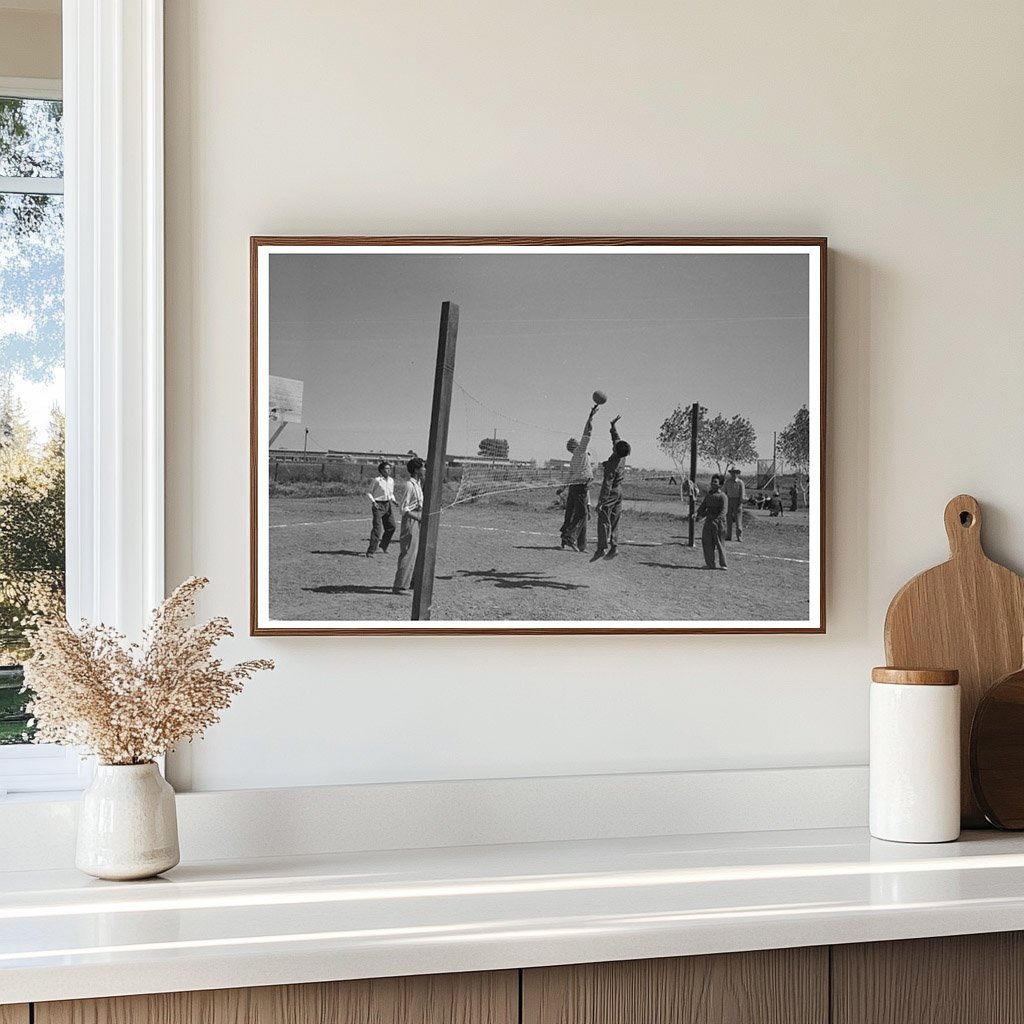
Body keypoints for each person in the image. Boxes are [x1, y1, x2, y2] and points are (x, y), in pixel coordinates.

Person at [560, 403, 598, 551]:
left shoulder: (575, 458)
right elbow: (587, 433)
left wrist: (562, 487)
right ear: (575, 445)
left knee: (573, 514)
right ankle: (569, 537)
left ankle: (569, 538)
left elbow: (569, 476)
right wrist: (590, 417)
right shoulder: (581, 451)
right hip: (581, 486)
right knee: (583, 514)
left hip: (575, 486)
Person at [592, 416, 630, 560]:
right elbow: (616, 438)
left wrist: (601, 502)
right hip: (619, 491)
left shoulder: (612, 466)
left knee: (603, 517)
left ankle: (601, 548)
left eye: (614, 446)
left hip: (612, 491)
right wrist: (613, 426)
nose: (613, 445)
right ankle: (614, 547)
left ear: (615, 450)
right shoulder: (622, 455)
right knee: (614, 520)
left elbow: (606, 485)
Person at [392, 458, 425, 594]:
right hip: (411, 520)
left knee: (417, 553)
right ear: (416, 470)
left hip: (418, 519)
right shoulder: (409, 485)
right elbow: (403, 508)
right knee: (408, 553)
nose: (424, 469)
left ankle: (412, 582)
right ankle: (399, 585)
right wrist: (417, 516)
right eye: (422, 467)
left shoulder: (418, 484)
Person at [695, 474, 728, 569]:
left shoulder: (723, 496)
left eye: (715, 482)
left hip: (719, 523)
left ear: (720, 484)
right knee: (707, 543)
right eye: (712, 482)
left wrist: (717, 520)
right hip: (708, 522)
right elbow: (703, 507)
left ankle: (723, 564)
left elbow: (723, 511)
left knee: (720, 543)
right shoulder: (709, 496)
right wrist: (697, 514)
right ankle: (710, 564)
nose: (713, 484)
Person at [365, 460, 396, 557]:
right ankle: (371, 550)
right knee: (377, 528)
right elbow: (368, 492)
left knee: (391, 526)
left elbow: (390, 493)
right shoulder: (377, 480)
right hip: (378, 505)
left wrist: (394, 500)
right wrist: (373, 502)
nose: (389, 470)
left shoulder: (391, 480)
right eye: (386, 468)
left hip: (387, 505)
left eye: (389, 468)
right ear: (381, 470)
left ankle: (383, 546)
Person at [723, 467, 746, 541]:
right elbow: (723, 491)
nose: (733, 474)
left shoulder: (740, 482)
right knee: (728, 519)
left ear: (737, 474)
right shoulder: (728, 482)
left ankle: (739, 537)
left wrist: (741, 502)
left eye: (735, 473)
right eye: (732, 473)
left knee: (738, 520)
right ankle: (728, 536)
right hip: (729, 500)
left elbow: (742, 493)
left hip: (737, 501)